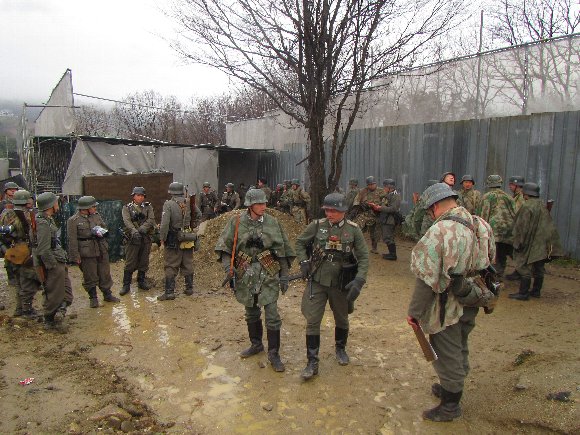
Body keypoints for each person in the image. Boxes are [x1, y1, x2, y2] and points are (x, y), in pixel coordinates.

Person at [407, 183, 494, 422]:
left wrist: (414, 313)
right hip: (472, 296)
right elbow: (490, 260)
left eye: (429, 211)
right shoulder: (480, 224)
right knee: (461, 341)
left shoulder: (440, 231)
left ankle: (450, 405)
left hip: (447, 304)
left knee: (446, 350)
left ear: (434, 206)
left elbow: (426, 278)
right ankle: (452, 387)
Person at [215, 189, 295, 372]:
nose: (264, 206)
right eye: (259, 204)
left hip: (269, 272)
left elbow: (282, 251)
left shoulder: (273, 222)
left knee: (272, 314)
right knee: (251, 312)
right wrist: (228, 269)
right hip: (246, 274)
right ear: (250, 205)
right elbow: (224, 248)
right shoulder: (236, 222)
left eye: (265, 203)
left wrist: (284, 275)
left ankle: (274, 353)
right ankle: (256, 344)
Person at [295, 193, 369, 380]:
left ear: (343, 211)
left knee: (342, 318)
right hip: (318, 280)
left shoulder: (353, 230)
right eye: (327, 210)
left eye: (334, 210)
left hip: (341, 282)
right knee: (312, 320)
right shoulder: (317, 226)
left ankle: (340, 348)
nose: (329, 214)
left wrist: (359, 280)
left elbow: (363, 257)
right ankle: (312, 362)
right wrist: (303, 261)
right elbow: (300, 243)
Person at [508, 182, 564, 300]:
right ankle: (536, 291)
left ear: (526, 193)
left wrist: (518, 242)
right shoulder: (542, 205)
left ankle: (523, 293)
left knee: (523, 266)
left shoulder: (527, 206)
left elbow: (522, 227)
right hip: (542, 242)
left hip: (530, 242)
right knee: (539, 267)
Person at [67, 196, 119, 308]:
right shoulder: (73, 221)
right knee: (90, 274)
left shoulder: (96, 215)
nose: (95, 208)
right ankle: (93, 298)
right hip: (86, 251)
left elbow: (104, 227)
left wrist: (101, 231)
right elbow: (72, 240)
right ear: (86, 208)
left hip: (100, 247)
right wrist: (75, 256)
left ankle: (107, 294)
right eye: (93, 206)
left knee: (104, 273)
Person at [0, 190, 42, 318]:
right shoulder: (26, 215)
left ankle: (19, 308)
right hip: (25, 251)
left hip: (12, 251)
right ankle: (27, 310)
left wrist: (6, 250)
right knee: (29, 281)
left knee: (19, 282)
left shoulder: (6, 213)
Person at [31, 192, 70, 330]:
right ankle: (50, 319)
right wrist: (52, 265)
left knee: (65, 291)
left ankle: (59, 313)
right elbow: (43, 249)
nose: (57, 204)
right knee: (53, 292)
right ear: (50, 205)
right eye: (56, 202)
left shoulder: (47, 219)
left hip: (57, 258)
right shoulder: (42, 222)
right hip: (51, 262)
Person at [158, 182, 196, 300]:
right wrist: (191, 228)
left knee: (171, 265)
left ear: (171, 192)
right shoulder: (189, 202)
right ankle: (189, 289)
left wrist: (162, 238)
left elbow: (165, 224)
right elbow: (198, 215)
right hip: (188, 237)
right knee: (187, 262)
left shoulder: (168, 204)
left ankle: (169, 293)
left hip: (173, 239)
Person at [477, 175, 516, 276]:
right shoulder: (508, 197)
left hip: (494, 230)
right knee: (505, 251)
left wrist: (480, 230)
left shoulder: (487, 197)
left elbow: (483, 215)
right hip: (509, 230)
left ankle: (495, 274)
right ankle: (506, 270)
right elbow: (515, 212)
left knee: (495, 253)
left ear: (488, 183)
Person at [120, 187, 156, 296]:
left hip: (145, 238)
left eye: (142, 196)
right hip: (132, 239)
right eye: (138, 195)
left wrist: (143, 228)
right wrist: (134, 231)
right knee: (130, 262)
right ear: (133, 196)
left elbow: (151, 219)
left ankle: (141, 281)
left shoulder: (148, 207)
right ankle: (126, 285)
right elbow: (127, 221)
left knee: (144, 261)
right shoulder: (127, 208)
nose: (140, 197)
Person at [352, 176, 382, 253]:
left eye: (373, 184)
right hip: (365, 214)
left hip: (377, 214)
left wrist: (379, 207)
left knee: (374, 232)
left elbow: (386, 203)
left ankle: (374, 248)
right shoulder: (363, 191)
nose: (371, 186)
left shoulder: (381, 191)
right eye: (369, 185)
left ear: (375, 184)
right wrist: (360, 205)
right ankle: (354, 245)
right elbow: (356, 201)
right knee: (357, 228)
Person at [374, 178, 401, 260]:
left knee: (388, 237)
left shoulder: (396, 196)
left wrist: (380, 208)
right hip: (385, 219)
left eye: (385, 187)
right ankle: (391, 253)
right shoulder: (388, 195)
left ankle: (393, 255)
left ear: (390, 187)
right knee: (386, 237)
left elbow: (393, 209)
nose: (384, 188)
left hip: (390, 220)